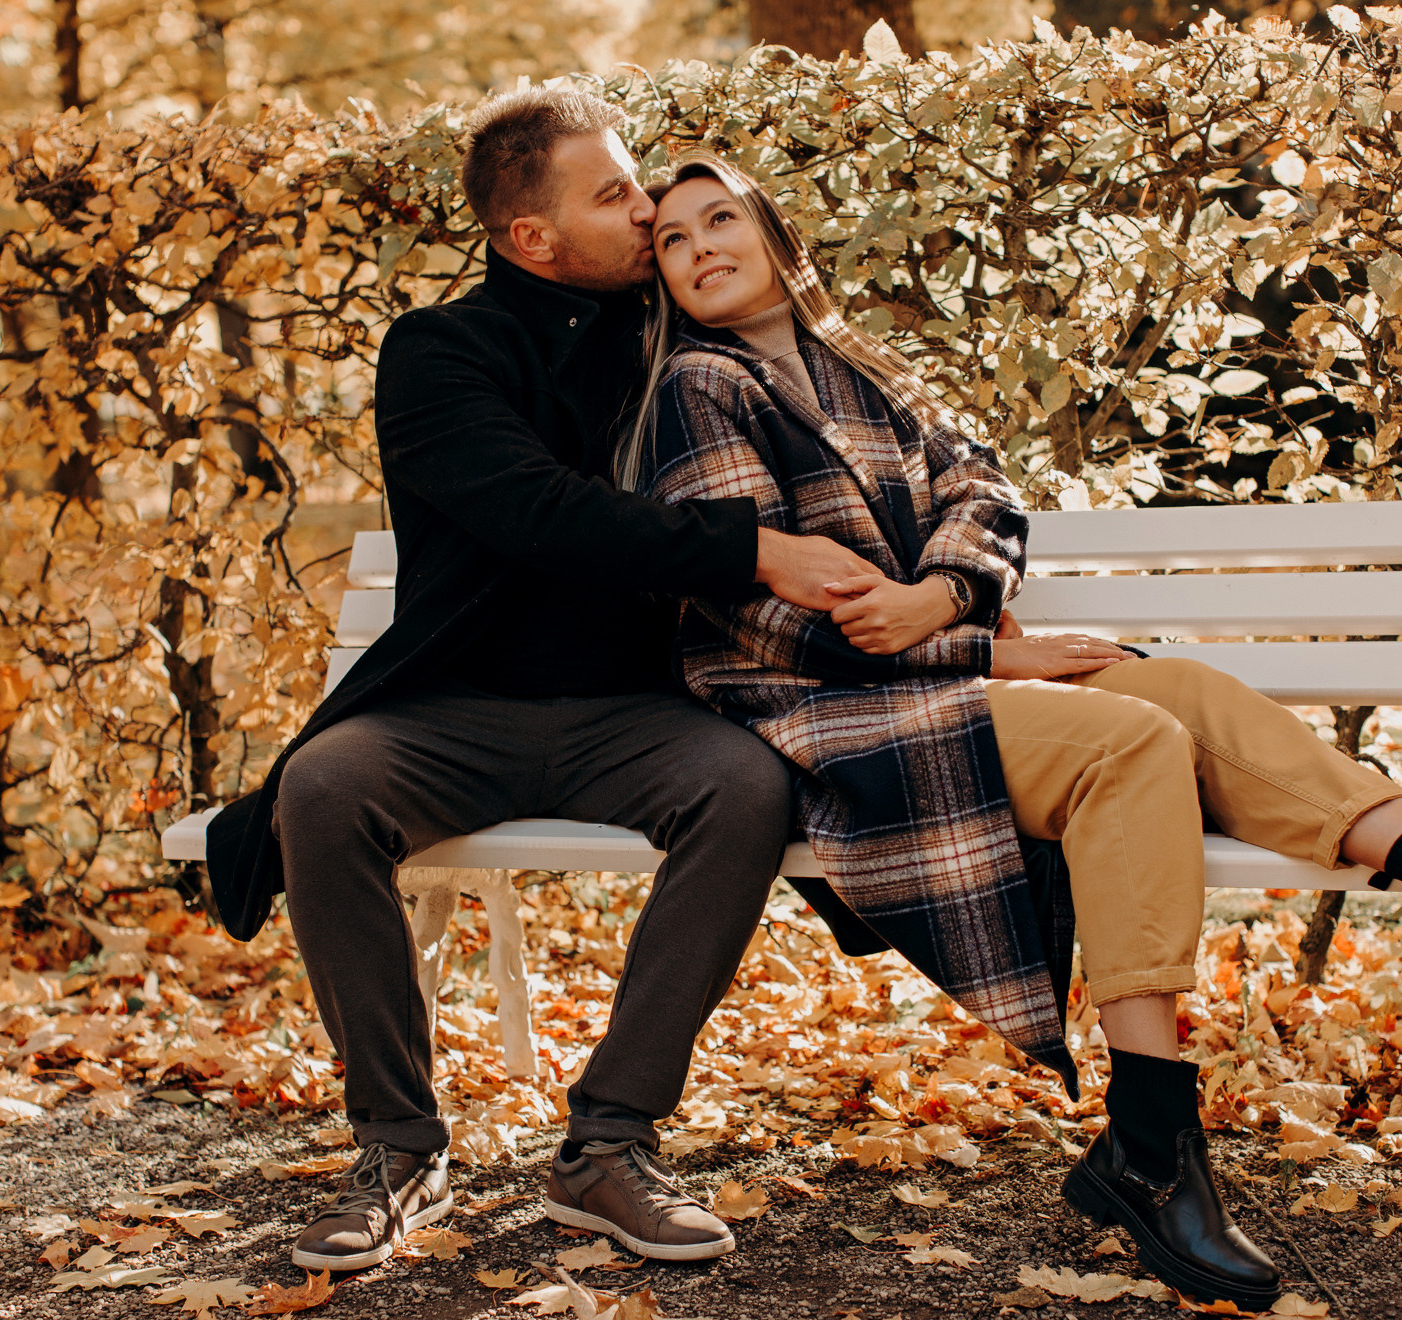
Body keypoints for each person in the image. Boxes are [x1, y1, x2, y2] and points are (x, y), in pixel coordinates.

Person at [630, 152, 1402, 1310]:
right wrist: (990, 646)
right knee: (1127, 739)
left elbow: (984, 498)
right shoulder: (700, 389)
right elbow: (755, 602)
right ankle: (1151, 1136)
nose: (700, 249)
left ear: (778, 234)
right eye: (673, 241)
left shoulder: (871, 371)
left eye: (721, 218)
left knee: (1170, 684)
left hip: (934, 680)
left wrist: (946, 597)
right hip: (829, 721)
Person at [201, 92, 891, 1270]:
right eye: (616, 196)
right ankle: (397, 1147)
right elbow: (539, 511)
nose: (647, 213)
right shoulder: (441, 352)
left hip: (644, 711)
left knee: (745, 789)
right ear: (533, 238)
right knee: (320, 788)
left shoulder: (680, 339)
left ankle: (610, 1147)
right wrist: (753, 549)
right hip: (450, 711)